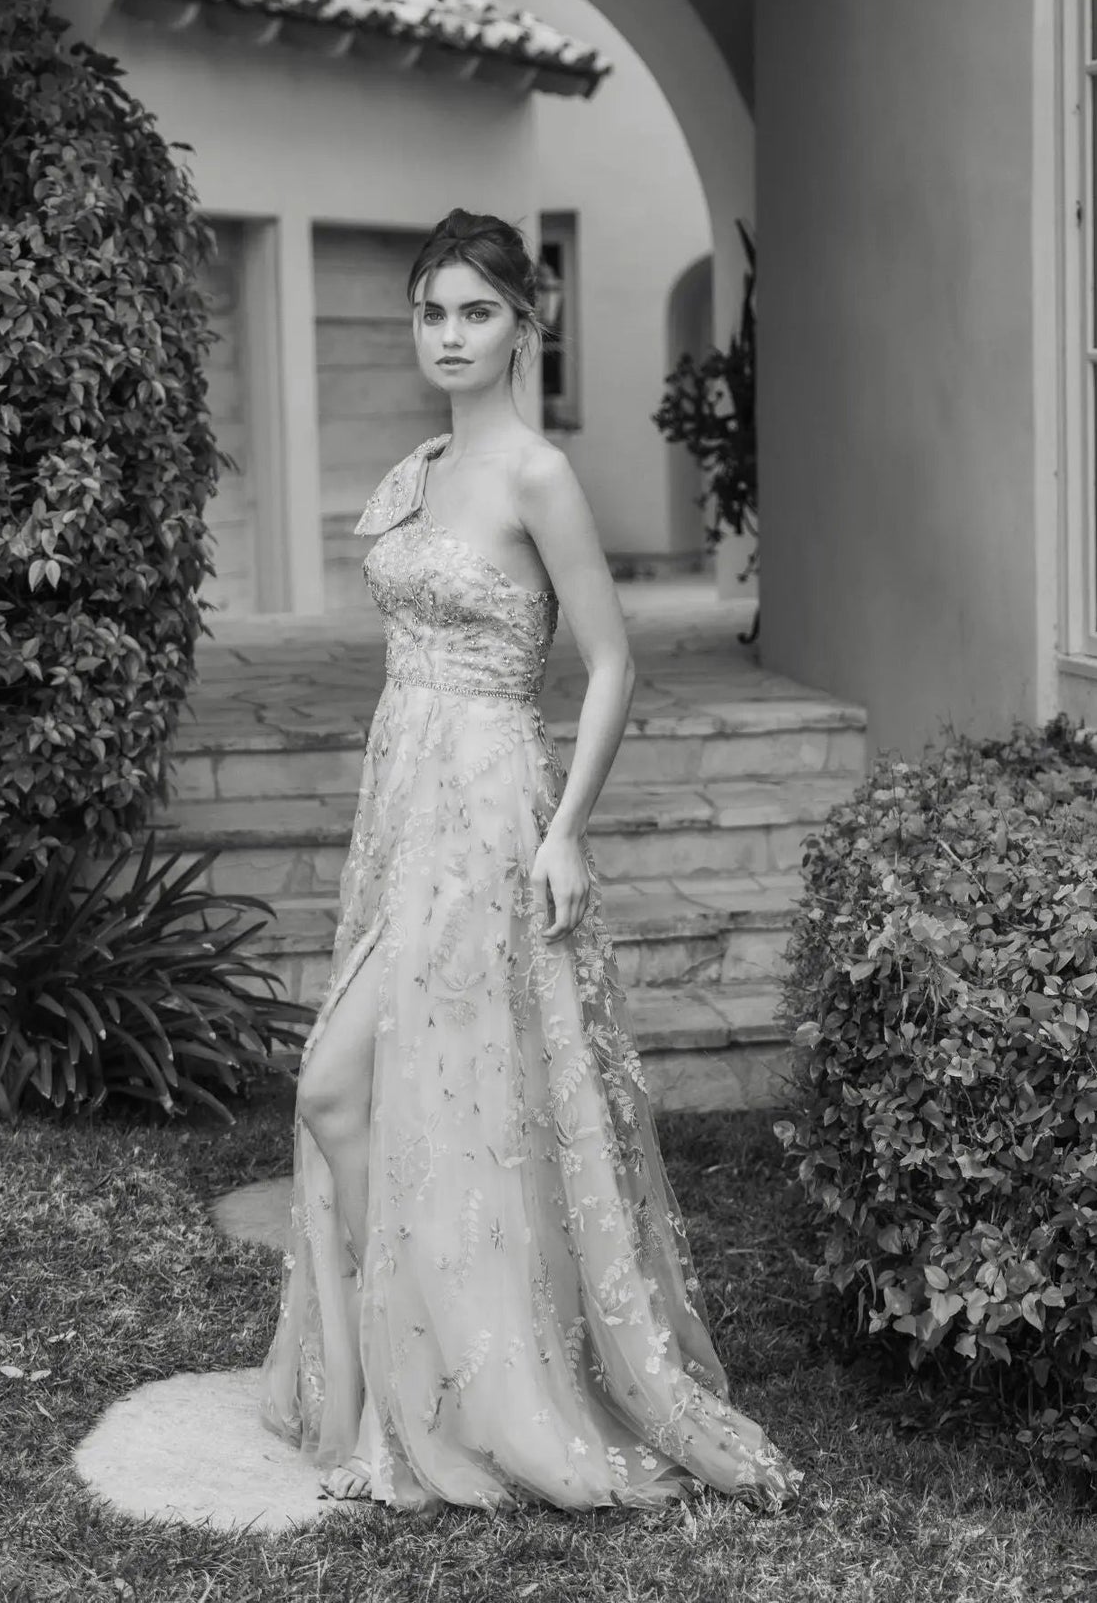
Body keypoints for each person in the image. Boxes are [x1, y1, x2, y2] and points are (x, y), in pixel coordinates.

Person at [258, 208, 801, 1514]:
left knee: (352, 1086)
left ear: (524, 324)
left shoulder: (537, 477)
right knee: (376, 1093)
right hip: (406, 802)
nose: (449, 335)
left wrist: (567, 833)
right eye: (431, 312)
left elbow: (612, 663)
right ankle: (389, 1384)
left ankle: (433, 1398)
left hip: (490, 809)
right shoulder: (421, 469)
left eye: (476, 312)